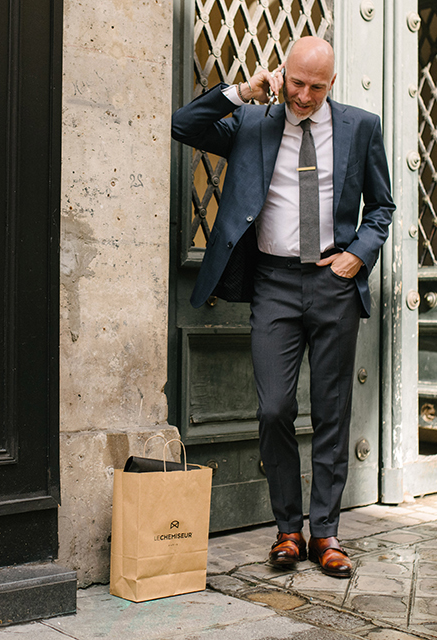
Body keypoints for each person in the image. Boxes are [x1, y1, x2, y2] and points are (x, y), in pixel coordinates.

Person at [171, 37, 394, 578]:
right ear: (282, 74)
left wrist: (357, 258)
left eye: (317, 87)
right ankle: (287, 530)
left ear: (332, 84)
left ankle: (326, 533)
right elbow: (185, 126)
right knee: (273, 409)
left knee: (331, 411)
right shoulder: (254, 122)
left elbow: (382, 205)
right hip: (273, 282)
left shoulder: (361, 126)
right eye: (297, 83)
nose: (304, 95)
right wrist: (240, 92)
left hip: (331, 282)